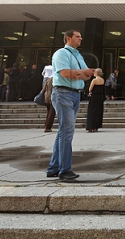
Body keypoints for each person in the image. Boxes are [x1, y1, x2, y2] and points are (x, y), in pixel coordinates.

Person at [46, 29, 95, 181]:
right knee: (67, 132)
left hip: (75, 94)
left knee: (63, 132)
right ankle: (64, 170)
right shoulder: (61, 53)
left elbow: (87, 76)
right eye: (77, 37)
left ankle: (54, 168)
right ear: (68, 38)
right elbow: (66, 73)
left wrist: (79, 73)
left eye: (81, 36)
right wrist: (82, 72)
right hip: (63, 93)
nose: (81, 39)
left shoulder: (77, 55)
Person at [86, 68, 105, 132]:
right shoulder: (102, 80)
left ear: (96, 73)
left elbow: (90, 89)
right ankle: (96, 126)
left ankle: (91, 126)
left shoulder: (94, 80)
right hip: (100, 97)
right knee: (98, 111)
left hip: (94, 96)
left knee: (92, 111)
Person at [42, 65, 55, 132]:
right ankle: (48, 127)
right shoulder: (55, 80)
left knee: (48, 111)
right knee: (51, 112)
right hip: (52, 97)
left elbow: (43, 89)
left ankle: (46, 124)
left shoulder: (48, 80)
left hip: (47, 96)